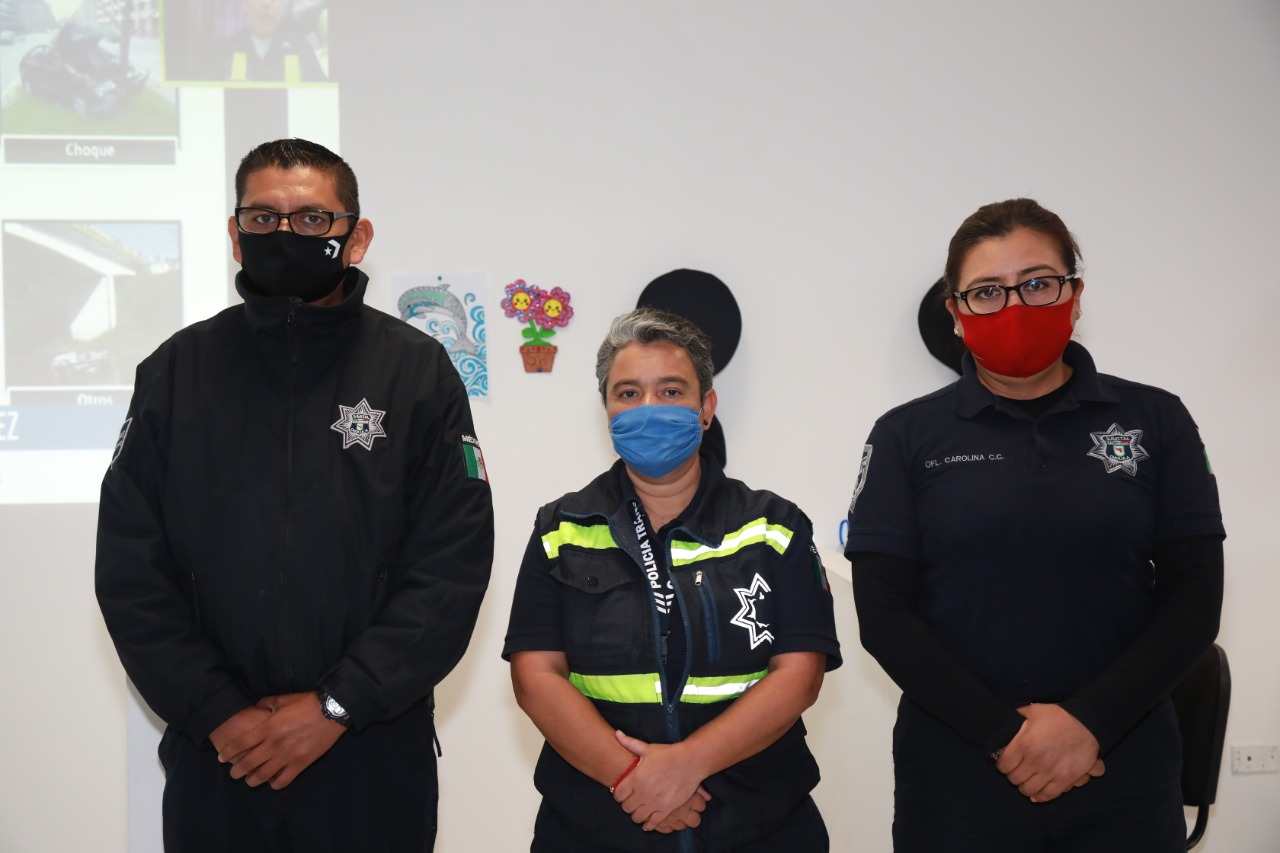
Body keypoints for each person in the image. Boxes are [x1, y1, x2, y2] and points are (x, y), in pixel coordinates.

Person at [95, 138, 494, 852]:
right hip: (222, 756)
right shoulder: (176, 372)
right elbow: (131, 570)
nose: (285, 235)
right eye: (264, 218)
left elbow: (450, 565)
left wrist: (337, 705)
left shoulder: (417, 372)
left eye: (312, 220)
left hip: (369, 753)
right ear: (234, 234)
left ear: (357, 235)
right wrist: (220, 712)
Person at [845, 198, 1225, 852]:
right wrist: (1007, 735)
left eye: (1038, 282)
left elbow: (1194, 597)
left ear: (1074, 294)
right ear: (956, 314)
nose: (1015, 306)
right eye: (988, 291)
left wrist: (1088, 724)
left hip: (1122, 768)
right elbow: (883, 612)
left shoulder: (1157, 420)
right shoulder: (905, 435)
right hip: (959, 776)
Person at [504, 307, 841, 852]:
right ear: (607, 410)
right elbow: (535, 676)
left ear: (706, 407)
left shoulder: (774, 526)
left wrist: (686, 765)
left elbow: (800, 674)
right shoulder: (561, 528)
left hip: (758, 825)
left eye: (671, 391)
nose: (649, 409)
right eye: (629, 394)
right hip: (597, 825)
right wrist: (632, 780)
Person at [212, 0, 326, 83]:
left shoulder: (301, 51)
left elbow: (322, 101)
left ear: (283, 6)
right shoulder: (225, 52)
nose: (267, 3)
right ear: (244, 4)